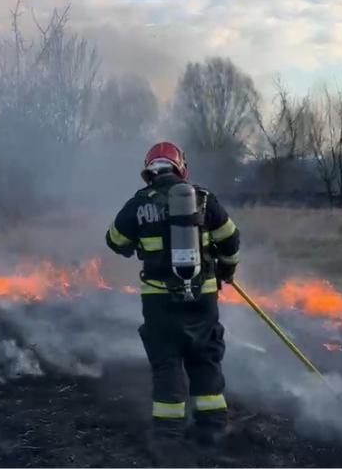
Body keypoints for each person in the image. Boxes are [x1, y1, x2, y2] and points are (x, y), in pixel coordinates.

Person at [105, 141, 241, 454]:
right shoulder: (204, 200)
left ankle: (168, 438)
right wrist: (226, 270)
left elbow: (114, 241)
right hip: (202, 298)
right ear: (181, 168)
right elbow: (231, 240)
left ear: (149, 172)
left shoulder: (139, 203)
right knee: (204, 359)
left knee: (167, 363)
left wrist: (139, 242)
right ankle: (212, 432)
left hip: (159, 301)